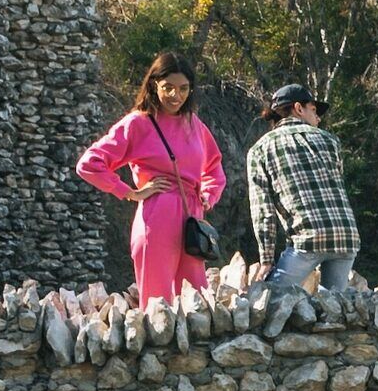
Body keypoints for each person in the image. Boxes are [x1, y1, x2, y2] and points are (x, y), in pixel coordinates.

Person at [75, 51, 227, 300]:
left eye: (183, 88)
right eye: (168, 87)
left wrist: (208, 197)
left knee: (196, 301)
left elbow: (214, 169)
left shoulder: (194, 124)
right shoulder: (138, 123)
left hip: (192, 220)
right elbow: (89, 164)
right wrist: (130, 193)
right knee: (158, 302)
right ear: (154, 83)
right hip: (158, 215)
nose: (175, 96)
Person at [245, 82, 360, 296]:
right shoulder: (330, 140)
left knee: (270, 302)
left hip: (307, 240)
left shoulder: (260, 149)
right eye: (314, 110)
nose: (319, 118)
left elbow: (263, 212)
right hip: (347, 236)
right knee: (334, 308)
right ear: (298, 108)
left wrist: (267, 260)